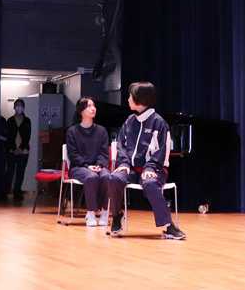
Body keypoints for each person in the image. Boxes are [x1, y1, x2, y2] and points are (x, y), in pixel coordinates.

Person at [107, 81, 186, 240]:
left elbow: (163, 150)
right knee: (114, 178)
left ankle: (167, 225)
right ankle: (116, 216)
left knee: (150, 183)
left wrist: (150, 167)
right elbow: (121, 144)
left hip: (155, 170)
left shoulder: (159, 123)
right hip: (131, 170)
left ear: (140, 98)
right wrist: (124, 163)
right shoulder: (129, 121)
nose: (128, 99)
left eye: (130, 96)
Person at [65, 97, 112, 227]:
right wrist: (87, 166)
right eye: (89, 106)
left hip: (98, 166)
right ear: (81, 111)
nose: (93, 108)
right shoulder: (72, 131)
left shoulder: (101, 131)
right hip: (79, 167)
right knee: (91, 177)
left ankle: (104, 212)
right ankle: (90, 212)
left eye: (93, 105)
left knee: (107, 176)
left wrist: (99, 165)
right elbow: (73, 154)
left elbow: (104, 152)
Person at [2, 99, 32, 200]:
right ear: (14, 107)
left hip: (24, 151)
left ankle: (17, 191)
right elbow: (9, 136)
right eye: (17, 105)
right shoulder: (10, 120)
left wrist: (21, 148)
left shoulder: (27, 121)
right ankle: (5, 191)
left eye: (21, 105)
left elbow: (27, 136)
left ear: (23, 107)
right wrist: (14, 148)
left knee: (20, 171)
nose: (19, 107)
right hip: (11, 150)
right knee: (10, 171)